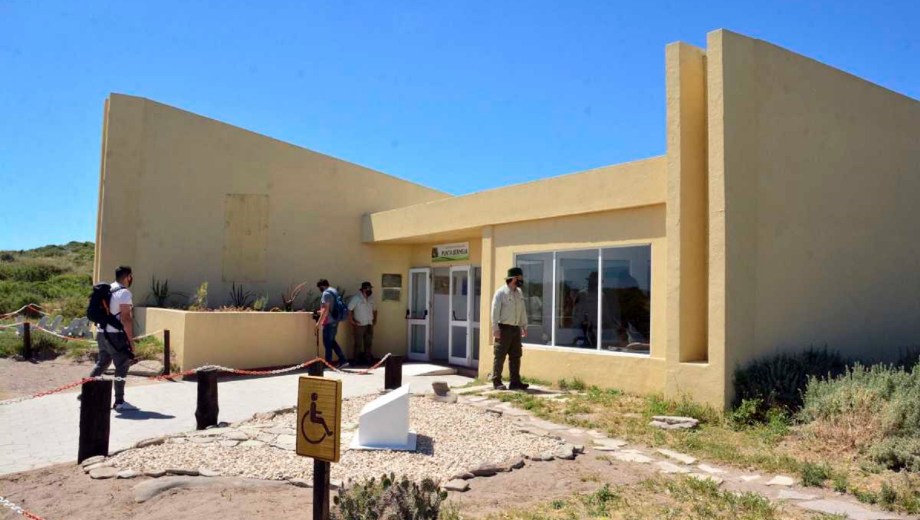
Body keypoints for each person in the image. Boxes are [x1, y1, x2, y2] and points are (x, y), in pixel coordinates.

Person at [88, 265, 138, 411]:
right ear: (128, 276)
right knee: (122, 366)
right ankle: (119, 402)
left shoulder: (108, 289)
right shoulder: (124, 293)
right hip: (115, 335)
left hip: (101, 332)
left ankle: (88, 392)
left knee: (102, 362)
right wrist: (130, 340)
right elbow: (126, 318)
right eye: (130, 276)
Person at [490, 267, 529, 391]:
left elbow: (522, 311)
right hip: (503, 328)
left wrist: (524, 326)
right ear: (513, 279)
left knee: (516, 355)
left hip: (515, 329)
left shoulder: (519, 293)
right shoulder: (501, 293)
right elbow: (494, 312)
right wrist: (495, 328)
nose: (521, 280)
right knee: (500, 355)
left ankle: (515, 382)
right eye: (519, 278)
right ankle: (497, 381)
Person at [315, 279, 349, 368]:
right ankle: (343, 360)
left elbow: (326, 310)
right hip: (335, 320)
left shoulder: (326, 293)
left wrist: (319, 322)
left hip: (328, 322)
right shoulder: (334, 291)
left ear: (322, 286)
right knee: (331, 341)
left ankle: (328, 364)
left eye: (320, 288)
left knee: (327, 343)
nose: (320, 290)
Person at [348, 281, 377, 365]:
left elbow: (375, 310)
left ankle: (367, 360)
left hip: (369, 323)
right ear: (363, 289)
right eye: (368, 288)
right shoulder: (356, 298)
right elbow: (349, 309)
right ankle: (355, 360)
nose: (370, 290)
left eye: (370, 288)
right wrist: (351, 320)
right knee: (358, 344)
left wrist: (375, 320)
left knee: (368, 343)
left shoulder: (371, 298)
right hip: (360, 324)